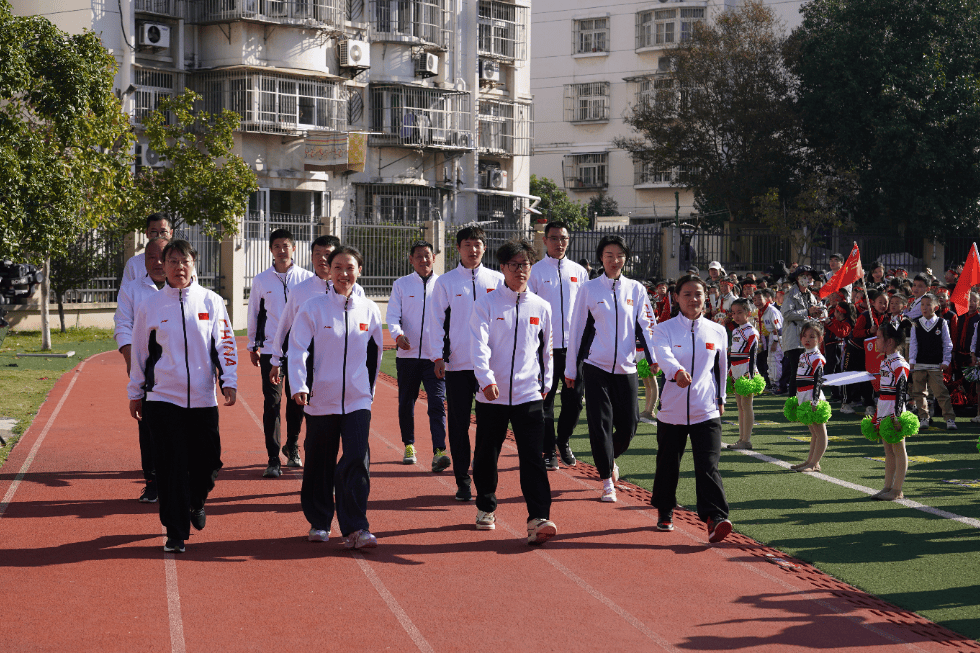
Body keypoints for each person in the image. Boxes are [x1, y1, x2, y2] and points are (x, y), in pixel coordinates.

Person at [128, 239, 238, 553]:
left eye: (184, 261)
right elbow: (140, 351)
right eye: (172, 261)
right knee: (170, 466)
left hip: (203, 398)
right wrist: (136, 391)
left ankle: (196, 500)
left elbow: (226, 344)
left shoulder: (212, 301)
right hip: (163, 398)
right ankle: (175, 532)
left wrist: (228, 380)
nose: (179, 267)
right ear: (163, 266)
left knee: (209, 462)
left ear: (194, 264)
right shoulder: (150, 305)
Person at [288, 245, 384, 549]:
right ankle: (319, 520)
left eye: (350, 267)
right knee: (319, 460)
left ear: (359, 270)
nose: (344, 273)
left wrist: (369, 392)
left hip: (356, 399)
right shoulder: (313, 307)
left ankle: (357, 527)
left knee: (357, 458)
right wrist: (300, 385)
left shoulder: (369, 309)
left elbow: (375, 353)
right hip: (320, 398)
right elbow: (297, 349)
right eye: (338, 267)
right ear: (329, 270)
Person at [470, 238, 557, 544]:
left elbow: (546, 352)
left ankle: (538, 518)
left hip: (528, 395)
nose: (520, 270)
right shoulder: (486, 305)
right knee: (485, 456)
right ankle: (485, 506)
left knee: (533, 458)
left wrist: (545, 386)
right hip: (491, 396)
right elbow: (478, 347)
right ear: (502, 267)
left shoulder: (541, 307)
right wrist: (486, 379)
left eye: (525, 265)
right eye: (514, 265)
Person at [565, 234, 656, 503]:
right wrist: (572, 369)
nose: (614, 261)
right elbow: (578, 329)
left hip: (626, 368)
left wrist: (654, 356)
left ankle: (608, 458)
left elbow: (647, 326)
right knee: (600, 425)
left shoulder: (636, 289)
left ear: (625, 258)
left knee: (629, 425)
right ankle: (607, 480)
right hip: (596, 367)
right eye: (608, 256)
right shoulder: (589, 289)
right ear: (601, 259)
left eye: (619, 256)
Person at [266, 236, 365, 473]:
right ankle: (296, 446)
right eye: (318, 254)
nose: (323, 259)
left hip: (340, 362)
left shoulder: (357, 291)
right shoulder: (301, 291)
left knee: (341, 418)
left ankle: (321, 461)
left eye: (328, 254)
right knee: (303, 406)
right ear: (312, 258)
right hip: (306, 359)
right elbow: (285, 325)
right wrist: (276, 359)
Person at [650, 274, 732, 542]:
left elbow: (721, 369)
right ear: (676, 297)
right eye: (686, 294)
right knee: (668, 463)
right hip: (672, 410)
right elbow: (663, 355)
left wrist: (721, 400)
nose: (693, 299)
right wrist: (676, 372)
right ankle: (665, 509)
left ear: (705, 297)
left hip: (705, 410)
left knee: (708, 465)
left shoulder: (717, 330)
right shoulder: (664, 329)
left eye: (698, 294)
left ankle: (715, 518)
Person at [428, 226, 504, 501]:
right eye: (467, 244)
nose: (473, 250)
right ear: (458, 248)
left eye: (478, 244)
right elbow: (436, 321)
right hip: (458, 365)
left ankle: (484, 477)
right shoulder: (446, 282)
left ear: (485, 248)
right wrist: (437, 355)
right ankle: (462, 480)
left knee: (488, 426)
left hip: (490, 367)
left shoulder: (497, 279)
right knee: (459, 425)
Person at [247, 229, 314, 477]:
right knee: (272, 403)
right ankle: (273, 458)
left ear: (294, 249)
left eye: (286, 246)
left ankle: (292, 445)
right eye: (277, 246)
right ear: (271, 250)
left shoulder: (306, 279)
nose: (281, 250)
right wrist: (252, 344)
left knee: (297, 400)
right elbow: (254, 312)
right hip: (269, 349)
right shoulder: (261, 280)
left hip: (300, 350)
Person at [528, 220, 587, 470]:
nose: (559, 243)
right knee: (546, 401)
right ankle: (548, 448)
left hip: (575, 348)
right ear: (545, 241)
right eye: (554, 238)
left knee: (574, 400)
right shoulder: (536, 271)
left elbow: (586, 309)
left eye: (563, 238)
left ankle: (563, 441)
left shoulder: (580, 272)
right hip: (547, 347)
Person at [113, 237, 168, 503]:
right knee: (148, 425)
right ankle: (153, 480)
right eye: (151, 258)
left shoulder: (188, 288)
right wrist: (129, 359)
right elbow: (123, 324)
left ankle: (182, 477)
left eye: (162, 257)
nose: (157, 263)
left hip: (181, 369)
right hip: (147, 365)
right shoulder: (133, 289)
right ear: (143, 261)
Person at [388, 240, 449, 471]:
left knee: (437, 402)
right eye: (419, 256)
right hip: (408, 356)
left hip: (435, 357)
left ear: (434, 258)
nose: (424, 260)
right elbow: (393, 316)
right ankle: (409, 445)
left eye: (427, 255)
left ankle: (439, 451)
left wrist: (443, 351)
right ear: (411, 259)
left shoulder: (443, 284)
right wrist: (398, 335)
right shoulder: (401, 285)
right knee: (407, 402)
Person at [867, 323, 913, 501]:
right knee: (888, 450)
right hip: (883, 407)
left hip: (894, 410)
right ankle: (887, 486)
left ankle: (897, 489)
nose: (876, 341)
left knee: (899, 449)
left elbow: (901, 391)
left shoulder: (899, 363)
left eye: (879, 337)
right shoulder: (886, 361)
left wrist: (897, 416)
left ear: (890, 342)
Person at [909, 293, 956, 430]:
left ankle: (949, 419)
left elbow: (947, 343)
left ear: (936, 307)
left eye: (928, 304)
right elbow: (913, 344)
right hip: (919, 364)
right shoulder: (916, 323)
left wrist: (946, 360)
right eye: (922, 304)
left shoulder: (942, 323)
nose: (925, 307)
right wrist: (912, 360)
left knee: (941, 393)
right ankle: (924, 417)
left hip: (936, 364)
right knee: (919, 393)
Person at [787, 321, 830, 472]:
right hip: (803, 395)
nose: (807, 339)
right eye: (804, 336)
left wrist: (815, 401)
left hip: (813, 396)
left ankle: (814, 463)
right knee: (813, 432)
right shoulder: (803, 355)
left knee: (820, 432)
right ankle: (811, 461)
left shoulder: (817, 357)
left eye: (812, 336)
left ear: (820, 339)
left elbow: (818, 381)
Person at [779, 265, 822, 395]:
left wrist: (817, 313)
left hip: (807, 337)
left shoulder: (810, 294)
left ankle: (806, 398)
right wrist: (808, 311)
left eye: (809, 276)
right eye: (804, 275)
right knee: (796, 371)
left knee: (807, 371)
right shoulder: (791, 293)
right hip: (794, 339)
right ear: (797, 278)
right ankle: (793, 402)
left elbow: (811, 313)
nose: (807, 278)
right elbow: (786, 313)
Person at [845, 290, 887, 415]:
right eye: (880, 302)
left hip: (871, 353)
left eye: (886, 303)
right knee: (851, 376)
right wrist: (869, 331)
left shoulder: (885, 317)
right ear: (872, 303)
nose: (883, 305)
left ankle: (869, 404)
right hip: (856, 349)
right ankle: (845, 403)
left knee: (869, 377)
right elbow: (855, 333)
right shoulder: (865, 315)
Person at [728, 298, 760, 450]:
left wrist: (751, 375)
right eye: (733, 313)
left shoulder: (751, 331)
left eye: (740, 312)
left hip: (746, 369)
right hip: (735, 369)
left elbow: (753, 354)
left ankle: (746, 440)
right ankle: (741, 438)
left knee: (746, 405)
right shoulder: (735, 331)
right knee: (740, 406)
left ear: (748, 313)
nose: (736, 316)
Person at [123, 213, 173, 284]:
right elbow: (126, 292)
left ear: (171, 233)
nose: (158, 236)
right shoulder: (133, 264)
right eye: (154, 232)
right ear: (146, 233)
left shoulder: (183, 262)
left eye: (163, 232)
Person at [753, 289, 782, 391]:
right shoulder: (763, 311)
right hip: (770, 338)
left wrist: (775, 342)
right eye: (755, 300)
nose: (757, 302)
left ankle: (777, 385)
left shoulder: (772, 311)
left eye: (759, 299)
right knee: (770, 361)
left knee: (775, 361)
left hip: (777, 339)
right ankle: (773, 384)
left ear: (766, 299)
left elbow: (778, 329)